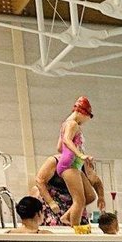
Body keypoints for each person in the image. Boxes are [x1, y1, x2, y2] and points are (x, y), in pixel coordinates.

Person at [30, 96, 96, 228]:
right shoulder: (72, 124)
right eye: (87, 118)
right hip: (69, 165)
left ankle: (66, 216)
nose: (86, 121)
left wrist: (73, 154)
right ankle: (75, 229)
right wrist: (80, 155)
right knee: (80, 200)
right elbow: (66, 140)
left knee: (90, 196)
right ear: (83, 113)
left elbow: (60, 147)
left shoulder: (66, 124)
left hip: (73, 164)